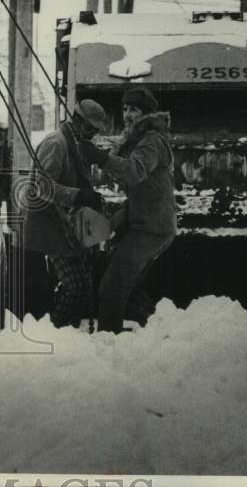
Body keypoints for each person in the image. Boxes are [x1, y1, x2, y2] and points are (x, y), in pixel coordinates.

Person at [79, 86, 177, 333]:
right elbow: (141, 192)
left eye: (133, 109)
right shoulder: (141, 140)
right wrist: (114, 220)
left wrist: (102, 158)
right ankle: (155, 338)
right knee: (126, 286)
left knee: (112, 287)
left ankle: (108, 342)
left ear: (146, 113)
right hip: (146, 223)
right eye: (124, 109)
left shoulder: (152, 141)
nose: (127, 114)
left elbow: (134, 172)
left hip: (151, 228)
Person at [23, 99, 111, 327]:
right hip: (50, 226)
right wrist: (79, 196)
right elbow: (41, 187)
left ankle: (62, 332)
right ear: (78, 121)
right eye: (91, 128)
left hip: (63, 225)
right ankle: (57, 333)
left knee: (79, 285)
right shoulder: (57, 143)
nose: (93, 135)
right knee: (77, 286)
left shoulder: (72, 143)